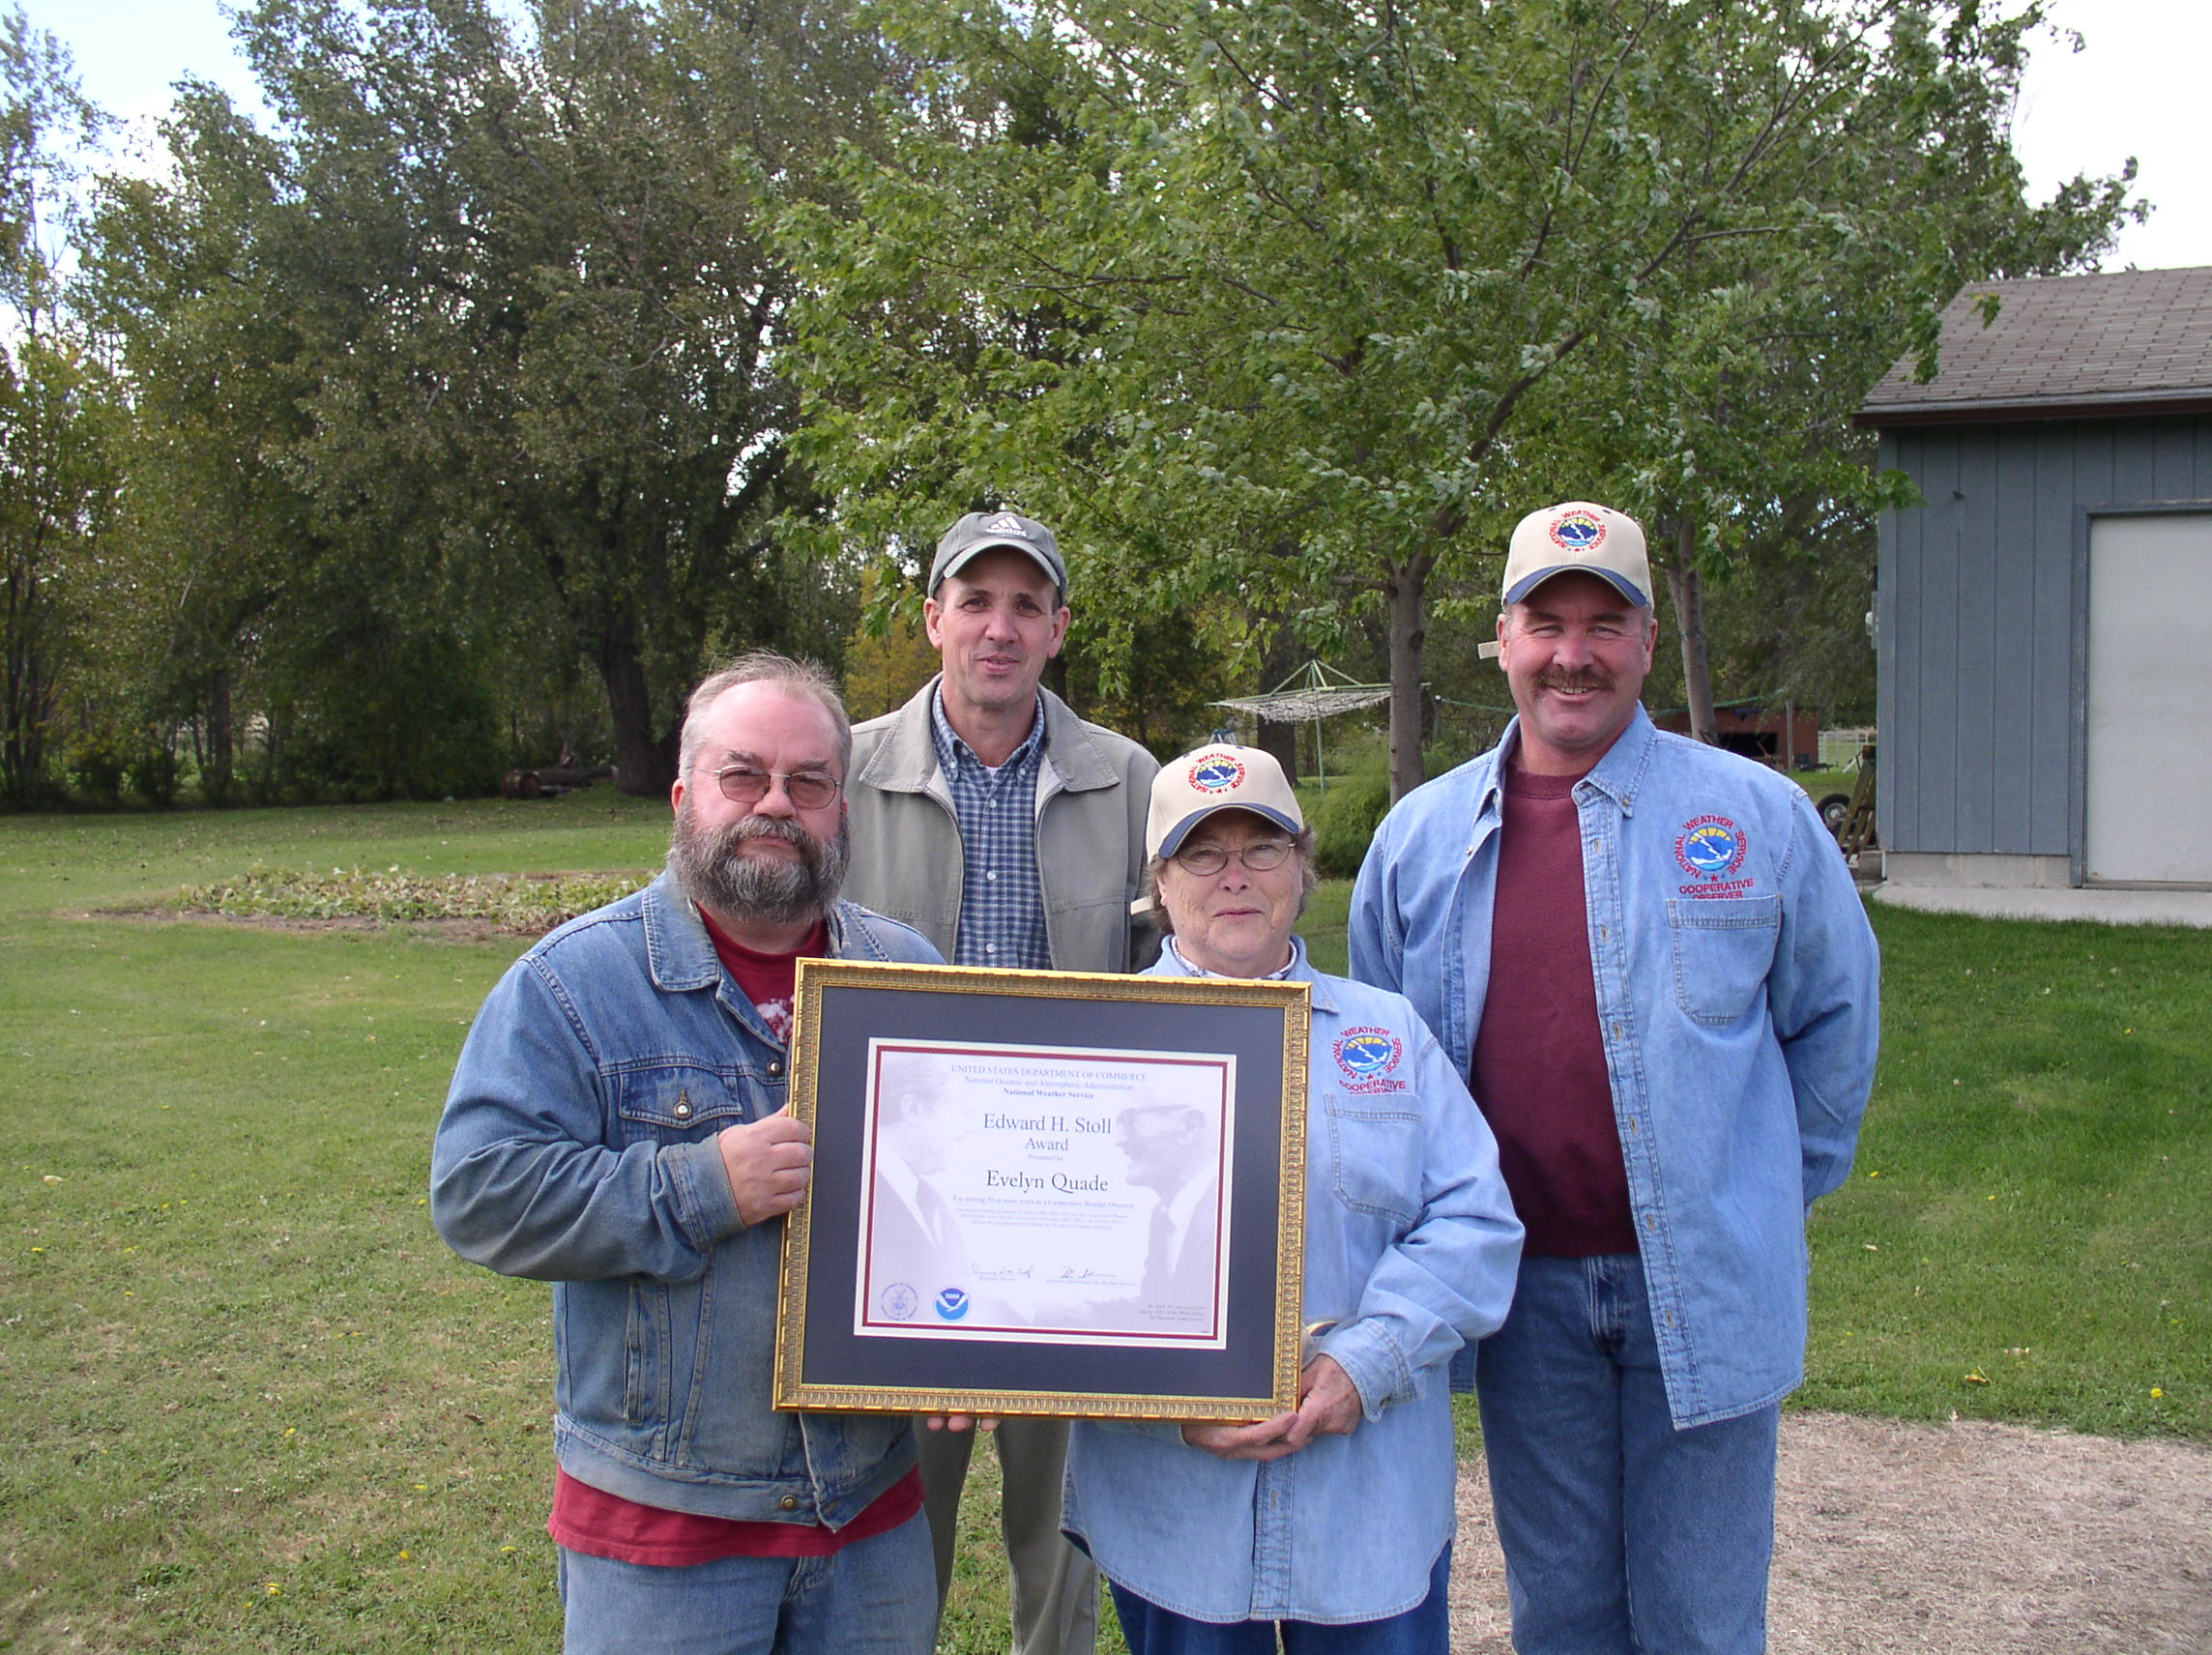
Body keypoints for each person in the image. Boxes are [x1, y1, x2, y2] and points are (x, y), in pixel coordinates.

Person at [1349, 502, 1881, 1654]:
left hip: (1702, 1281)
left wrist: (1754, 1198)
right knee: (1565, 1615)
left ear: (1646, 640)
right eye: (1546, 622)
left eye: (1604, 621)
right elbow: (1384, 1080)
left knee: (1698, 1617)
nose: (1572, 652)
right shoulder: (1416, 841)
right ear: (1502, 637)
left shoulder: (1756, 819)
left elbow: (1834, 1029)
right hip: (1522, 1297)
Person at [430, 653, 944, 1655]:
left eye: (808, 781)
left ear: (843, 805)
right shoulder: (574, 983)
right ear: (682, 796)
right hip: (667, 1530)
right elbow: (478, 1187)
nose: (775, 804)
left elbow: (954, 1199)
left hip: (867, 1516)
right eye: (741, 775)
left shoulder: (906, 974)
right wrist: (701, 1184)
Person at [1062, 744, 1524, 1653]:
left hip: (1369, 1507)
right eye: (1203, 853)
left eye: (1262, 848)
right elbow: (1060, 1271)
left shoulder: (1388, 1035)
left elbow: (1477, 1220)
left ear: (1302, 868)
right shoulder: (1097, 1048)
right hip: (1173, 1510)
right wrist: (1167, 1398)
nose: (1235, 877)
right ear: (1159, 882)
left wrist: (1371, 1360)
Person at [843, 508, 1158, 1655]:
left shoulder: (1124, 778)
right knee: (886, 1526)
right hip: (898, 1221)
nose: (998, 626)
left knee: (1061, 1529)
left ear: (1058, 629)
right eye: (974, 600)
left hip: (1062, 1216)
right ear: (932, 619)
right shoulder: (848, 767)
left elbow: (1164, 983)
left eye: (1026, 604)